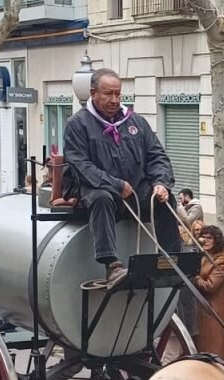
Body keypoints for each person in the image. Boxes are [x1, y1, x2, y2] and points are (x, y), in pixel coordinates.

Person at [63, 68, 180, 289]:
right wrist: (116, 185)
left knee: (164, 200)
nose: (114, 100)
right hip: (99, 191)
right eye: (108, 94)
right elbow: (81, 165)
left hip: (136, 192)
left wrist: (161, 183)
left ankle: (171, 260)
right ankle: (112, 266)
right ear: (93, 93)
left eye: (118, 94)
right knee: (101, 198)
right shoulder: (77, 124)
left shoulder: (136, 121)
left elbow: (157, 155)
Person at [190, 224, 224, 359]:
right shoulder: (203, 256)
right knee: (202, 349)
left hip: (214, 310)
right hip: (201, 308)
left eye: (209, 238)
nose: (205, 241)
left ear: (216, 240)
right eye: (203, 237)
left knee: (215, 349)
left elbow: (210, 286)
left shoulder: (221, 260)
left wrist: (194, 276)